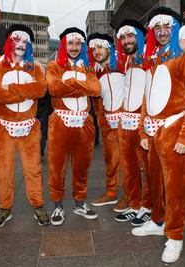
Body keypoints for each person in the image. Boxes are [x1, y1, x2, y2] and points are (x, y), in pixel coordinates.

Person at [132, 7, 185, 264]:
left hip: (175, 130)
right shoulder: (154, 58)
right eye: (158, 28)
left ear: (174, 28)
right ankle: (158, 220)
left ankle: (175, 236)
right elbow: (146, 97)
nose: (162, 32)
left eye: (167, 27)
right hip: (153, 132)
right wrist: (142, 130)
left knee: (175, 187)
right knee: (155, 182)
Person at [0, 24, 50, 227]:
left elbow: (40, 89)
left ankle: (38, 205)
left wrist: (9, 88)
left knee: (33, 170)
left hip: (30, 129)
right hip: (3, 128)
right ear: (9, 42)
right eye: (17, 40)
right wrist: (24, 90)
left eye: (25, 42)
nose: (21, 45)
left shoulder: (36, 67)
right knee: (3, 170)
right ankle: (5, 208)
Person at [46, 27, 101, 225]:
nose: (74, 47)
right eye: (71, 43)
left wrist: (71, 82)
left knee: (81, 167)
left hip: (84, 124)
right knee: (57, 167)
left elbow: (96, 90)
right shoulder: (54, 66)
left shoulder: (88, 68)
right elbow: (54, 88)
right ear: (64, 45)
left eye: (78, 44)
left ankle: (80, 203)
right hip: (60, 122)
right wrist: (80, 84)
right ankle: (58, 206)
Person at [114, 20, 153, 226]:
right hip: (125, 123)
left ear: (139, 36)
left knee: (147, 170)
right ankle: (135, 204)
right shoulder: (127, 60)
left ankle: (148, 206)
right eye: (123, 37)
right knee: (129, 169)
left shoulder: (150, 55)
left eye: (130, 36)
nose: (126, 41)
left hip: (142, 124)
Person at [86, 32, 128, 212]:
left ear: (109, 47)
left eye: (100, 47)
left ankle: (129, 195)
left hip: (127, 124)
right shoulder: (94, 71)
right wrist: (102, 122)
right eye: (93, 48)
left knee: (129, 163)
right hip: (108, 125)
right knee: (111, 162)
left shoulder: (124, 63)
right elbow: (96, 101)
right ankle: (111, 193)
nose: (97, 51)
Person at [36, 88, 53, 161]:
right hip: (44, 114)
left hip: (34, 113)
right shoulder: (47, 87)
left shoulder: (33, 85)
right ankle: (41, 153)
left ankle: (35, 153)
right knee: (42, 134)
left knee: (34, 135)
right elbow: (50, 101)